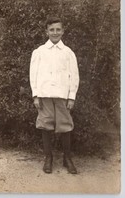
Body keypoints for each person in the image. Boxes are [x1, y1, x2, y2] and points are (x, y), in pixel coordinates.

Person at [29, 17, 79, 174]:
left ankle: (67, 158)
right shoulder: (39, 52)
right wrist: (35, 95)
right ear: (47, 32)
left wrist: (71, 96)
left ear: (63, 31)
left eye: (58, 29)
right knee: (45, 125)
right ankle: (48, 158)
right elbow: (33, 74)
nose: (55, 32)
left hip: (62, 96)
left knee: (65, 126)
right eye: (52, 29)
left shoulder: (68, 52)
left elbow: (74, 75)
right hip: (44, 95)